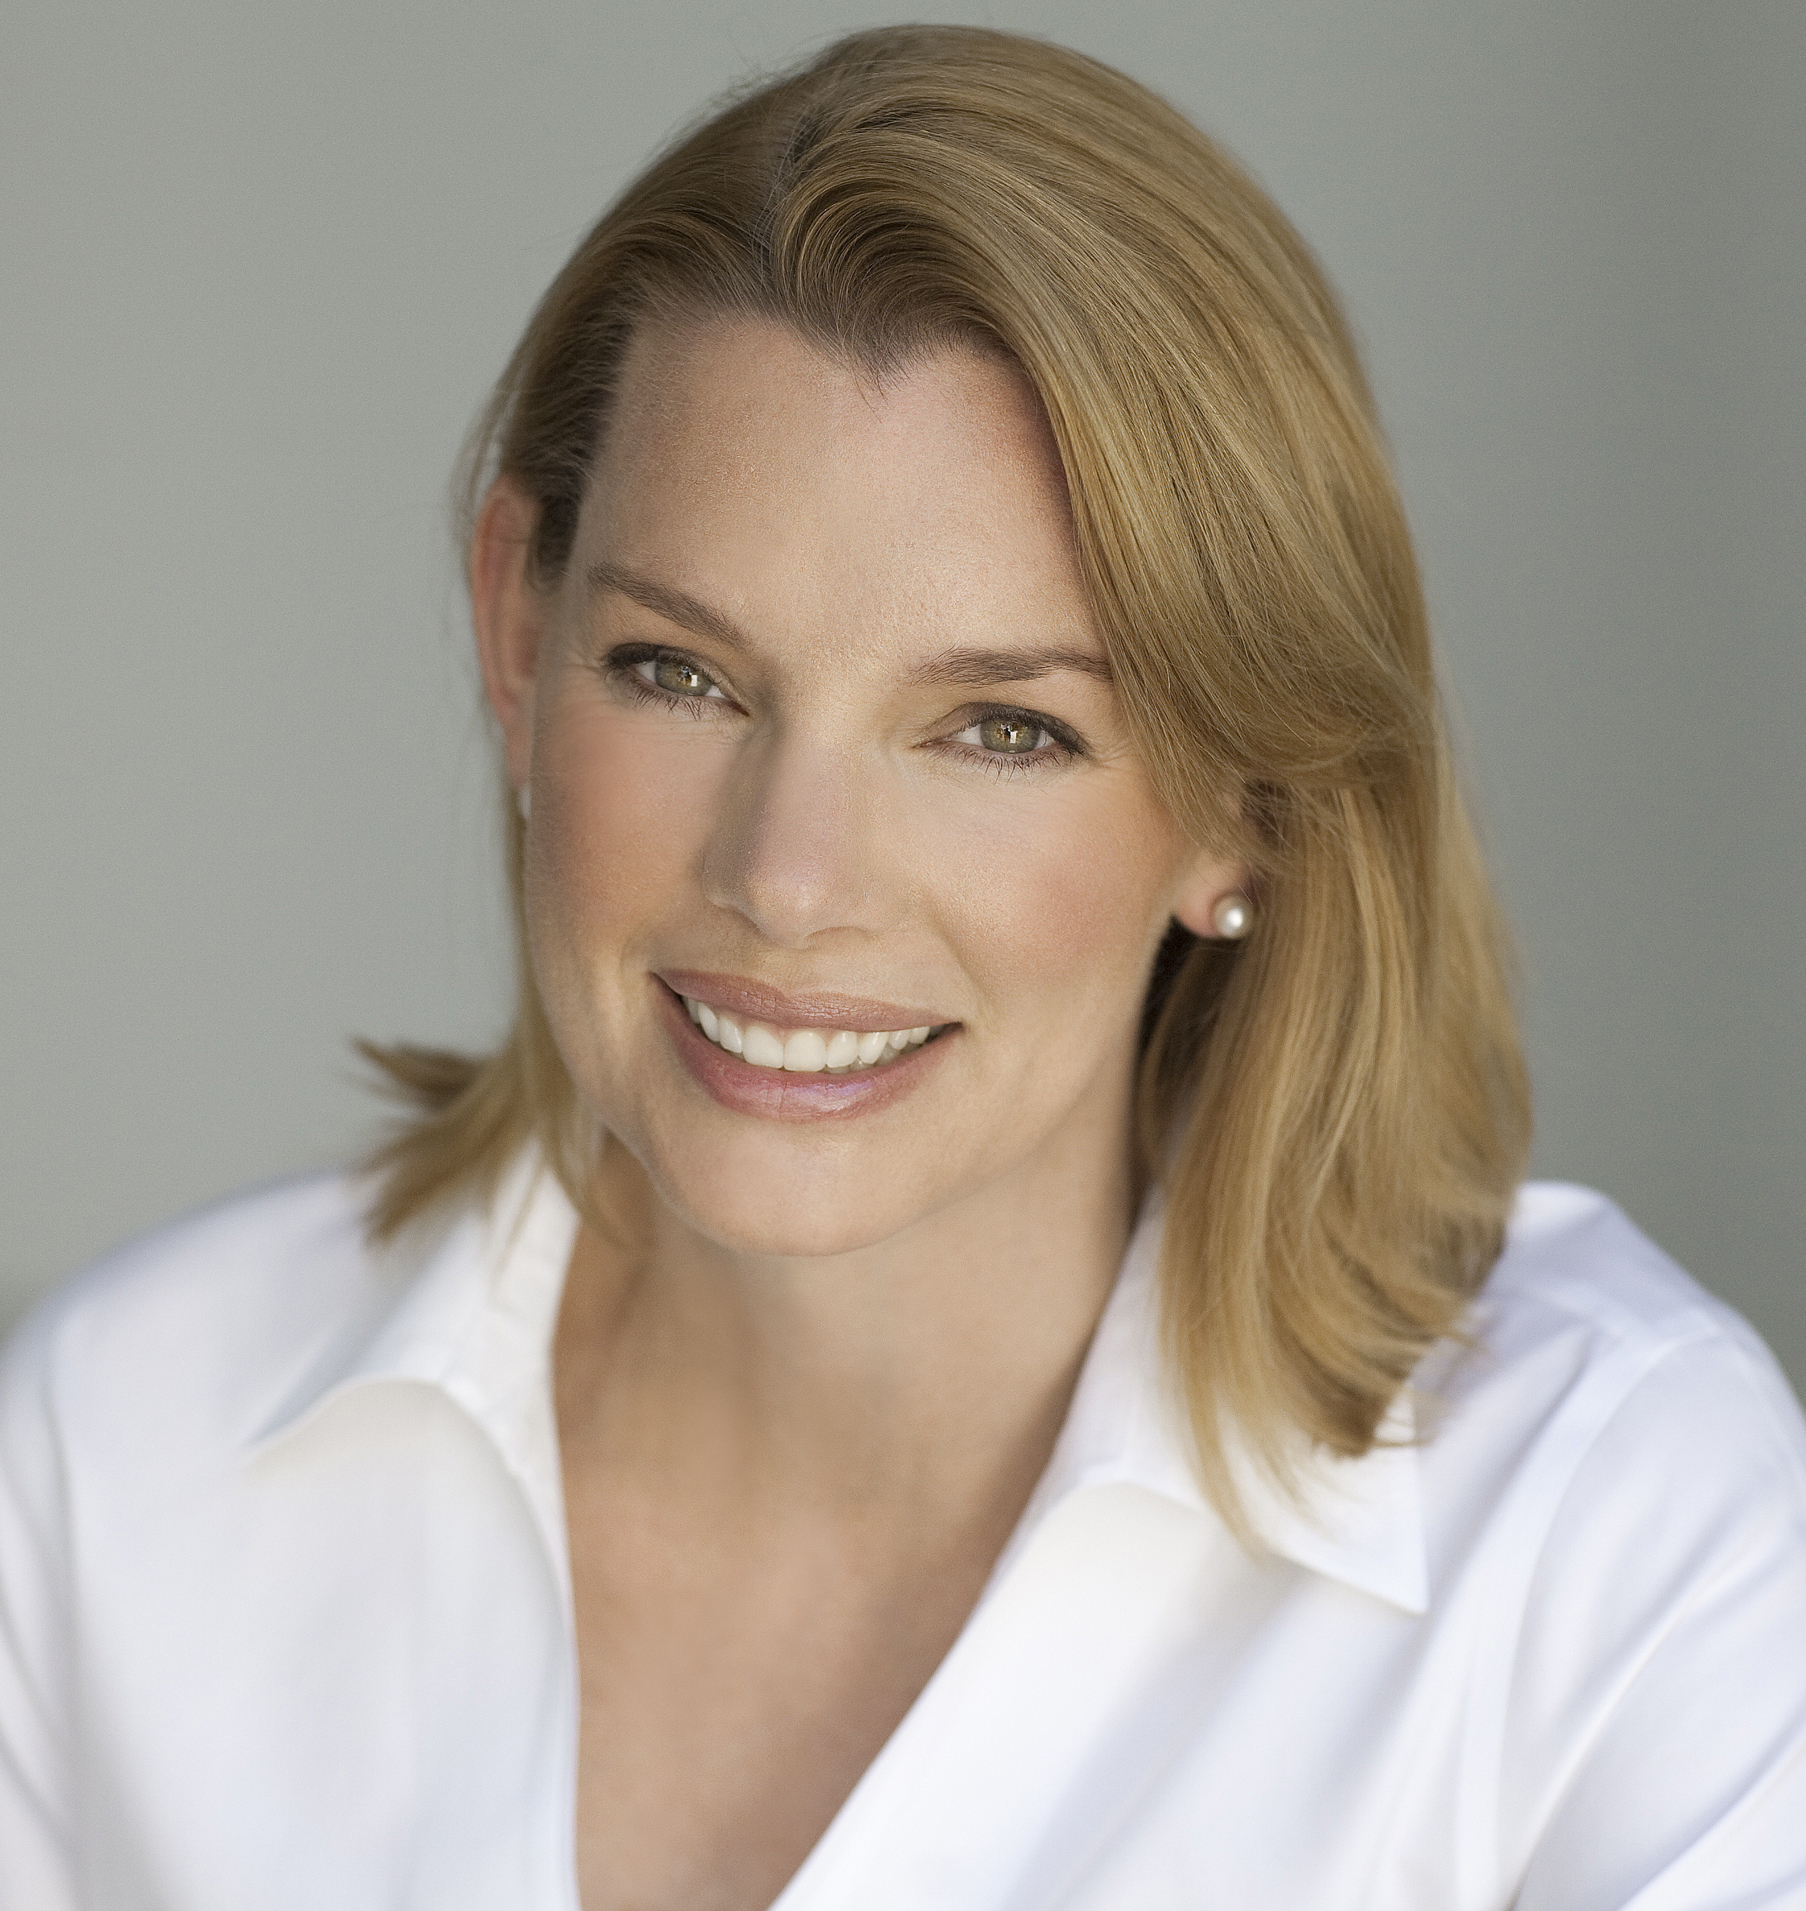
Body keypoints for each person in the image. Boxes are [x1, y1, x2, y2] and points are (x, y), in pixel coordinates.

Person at [2, 24, 1803, 1910]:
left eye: (1000, 729)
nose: (786, 882)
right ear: (516, 629)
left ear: (1248, 800)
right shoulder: (118, 1451)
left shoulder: (1602, 1531)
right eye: (681, 674)